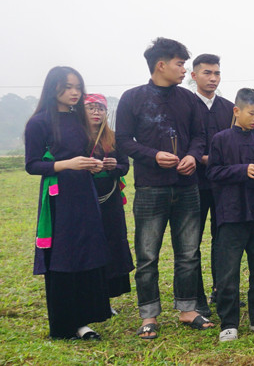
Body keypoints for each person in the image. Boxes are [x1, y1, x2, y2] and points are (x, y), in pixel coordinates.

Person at [116, 37, 213, 339]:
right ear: (161, 65)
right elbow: (124, 141)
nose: (184, 70)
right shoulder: (132, 98)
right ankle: (149, 315)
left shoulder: (188, 100)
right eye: (180, 64)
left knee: (188, 252)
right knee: (147, 256)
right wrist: (153, 155)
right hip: (150, 189)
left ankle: (187, 309)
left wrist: (192, 157)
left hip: (187, 187)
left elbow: (200, 136)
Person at [25, 67, 110, 340]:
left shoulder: (80, 120)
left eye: (78, 87)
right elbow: (32, 165)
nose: (74, 92)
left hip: (84, 194)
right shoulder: (39, 122)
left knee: (86, 252)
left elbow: (83, 154)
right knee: (63, 257)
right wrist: (66, 165)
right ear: (53, 88)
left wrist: (93, 165)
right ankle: (64, 326)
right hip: (58, 198)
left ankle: (84, 322)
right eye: (68, 87)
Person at [207, 88, 254, 342]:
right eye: (252, 113)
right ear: (236, 111)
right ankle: (229, 322)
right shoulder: (221, 139)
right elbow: (212, 173)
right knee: (228, 272)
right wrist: (240, 170)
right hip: (231, 215)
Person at [191, 53, 233, 310]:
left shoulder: (229, 108)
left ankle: (222, 290)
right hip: (192, 184)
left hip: (223, 186)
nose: (213, 78)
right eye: (207, 73)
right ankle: (195, 299)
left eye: (216, 73)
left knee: (224, 240)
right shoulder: (186, 104)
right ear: (193, 75)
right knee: (191, 243)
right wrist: (200, 157)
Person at [85, 93, 135, 305]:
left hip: (111, 199)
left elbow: (125, 166)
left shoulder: (113, 138)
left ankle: (108, 296)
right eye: (91, 108)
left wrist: (115, 166)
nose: (97, 113)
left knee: (112, 242)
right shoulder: (76, 137)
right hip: (85, 198)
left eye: (101, 109)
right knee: (89, 244)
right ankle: (91, 295)